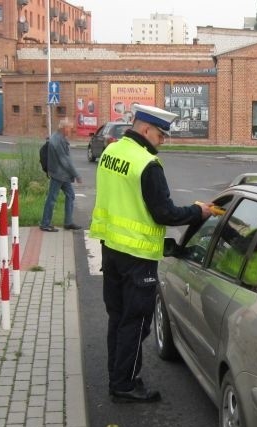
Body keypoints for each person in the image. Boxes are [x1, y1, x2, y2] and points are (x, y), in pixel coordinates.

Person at [89, 104, 213, 403]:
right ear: (145, 129)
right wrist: (199, 212)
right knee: (137, 321)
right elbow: (165, 214)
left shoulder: (112, 153)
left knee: (117, 317)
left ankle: (115, 375)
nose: (163, 140)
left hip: (111, 249)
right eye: (160, 134)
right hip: (137, 256)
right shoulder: (147, 165)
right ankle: (126, 384)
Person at [39, 118, 82, 232]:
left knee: (70, 195)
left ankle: (68, 222)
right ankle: (45, 223)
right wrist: (76, 175)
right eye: (70, 128)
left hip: (62, 175)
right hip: (58, 174)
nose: (71, 130)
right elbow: (65, 160)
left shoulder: (58, 137)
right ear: (64, 128)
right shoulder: (58, 140)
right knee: (52, 198)